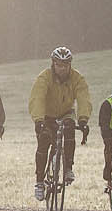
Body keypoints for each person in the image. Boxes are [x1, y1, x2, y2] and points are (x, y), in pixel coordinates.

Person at [28, 46, 91, 200]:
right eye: (59, 65)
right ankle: (39, 182)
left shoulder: (77, 78)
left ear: (70, 65)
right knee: (44, 141)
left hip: (66, 113)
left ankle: (68, 167)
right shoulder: (44, 77)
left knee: (69, 128)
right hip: (46, 116)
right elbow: (37, 98)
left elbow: (83, 98)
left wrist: (83, 119)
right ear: (53, 64)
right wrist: (38, 120)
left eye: (65, 65)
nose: (62, 68)